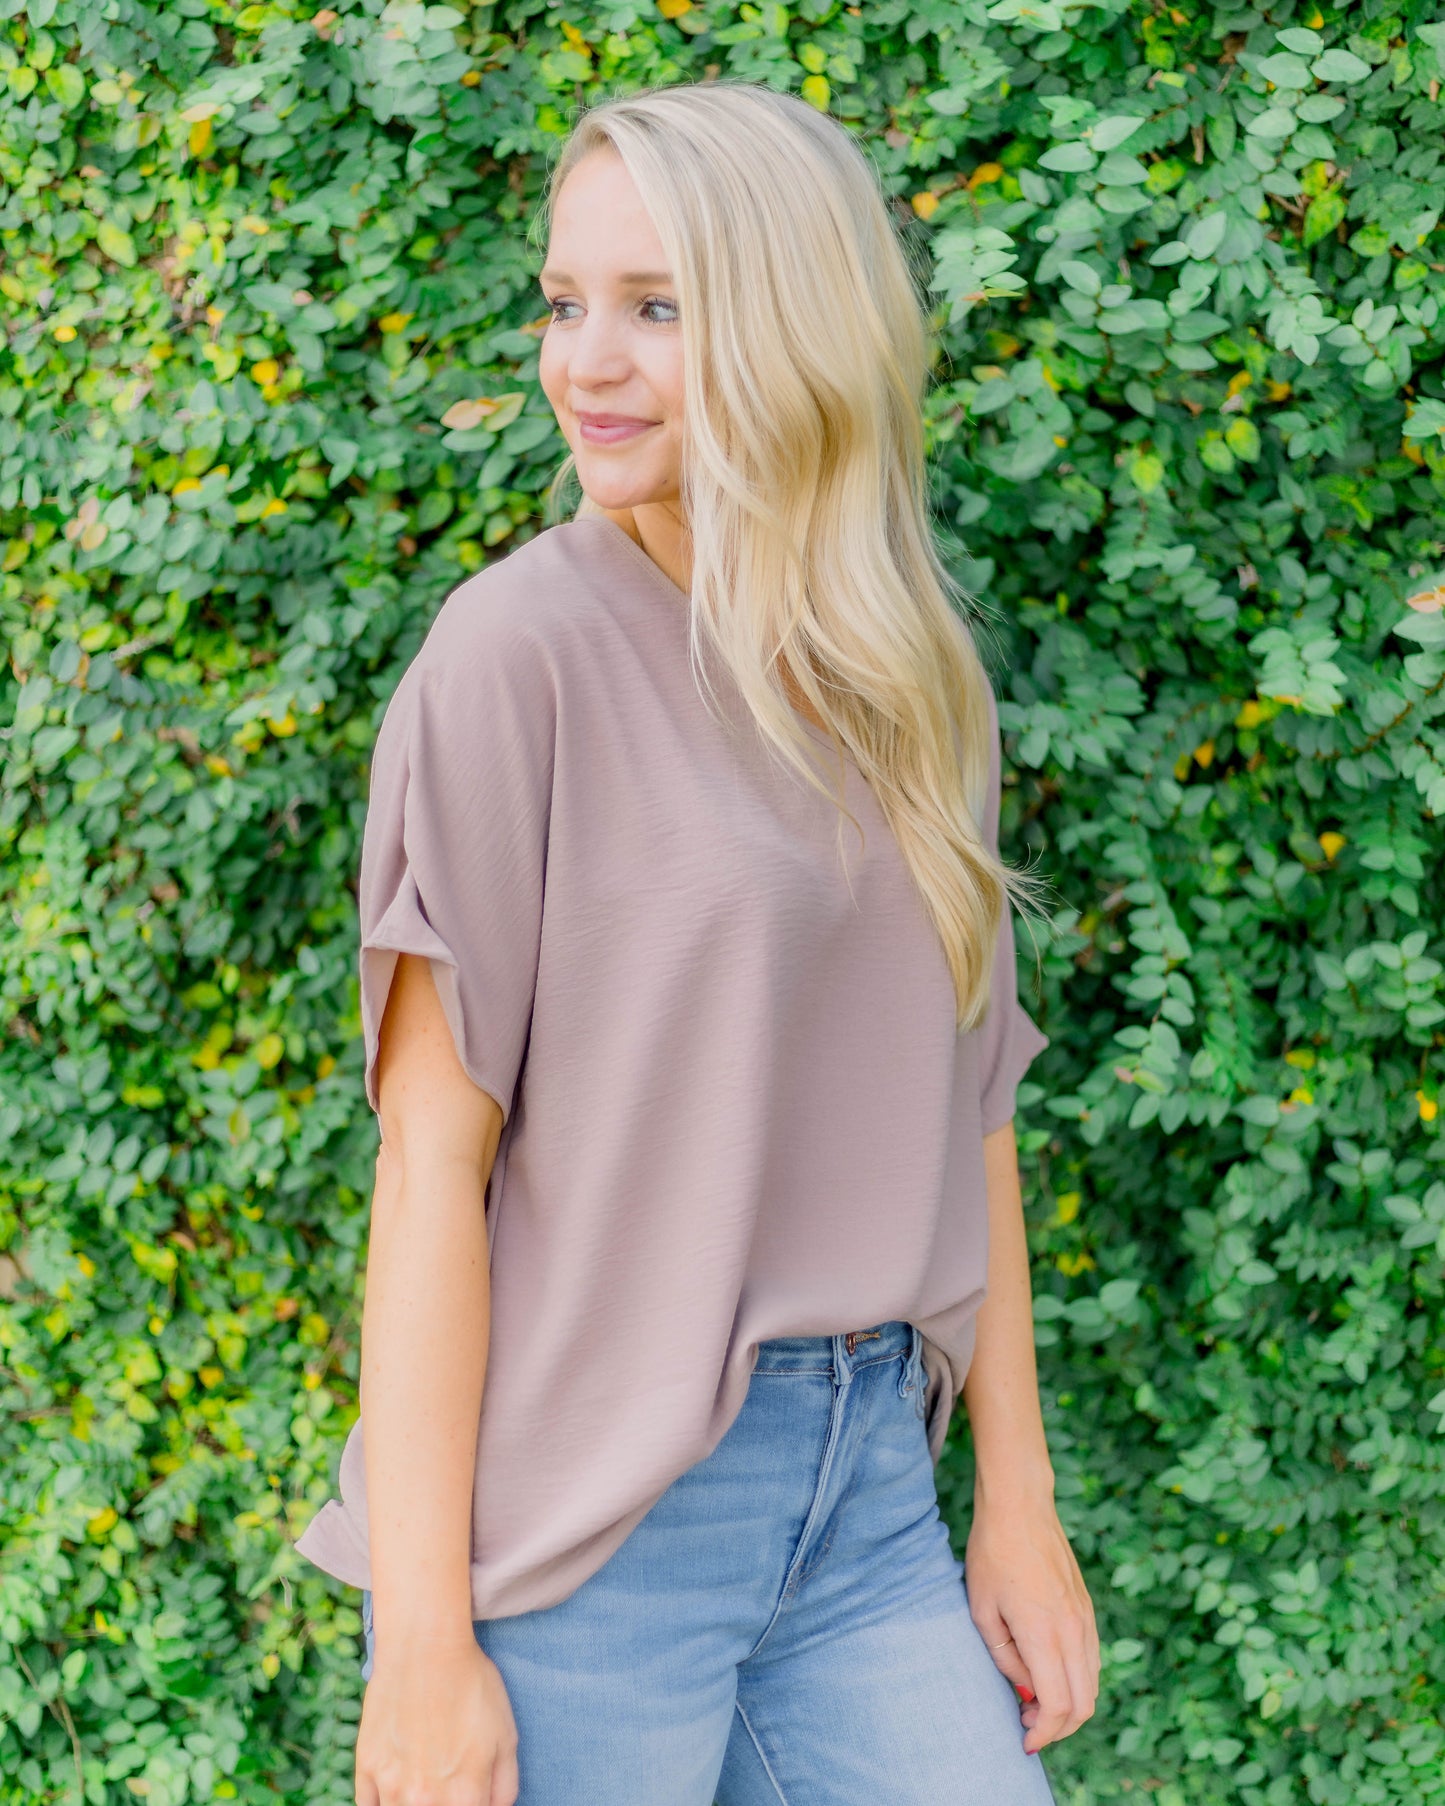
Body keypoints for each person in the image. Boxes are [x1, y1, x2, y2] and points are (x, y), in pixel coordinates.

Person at [295, 78, 1099, 1806]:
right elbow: (431, 1168)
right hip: (596, 1535)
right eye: (563, 303)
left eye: (657, 309)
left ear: (796, 325)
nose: (585, 363)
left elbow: (971, 1117)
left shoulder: (908, 676)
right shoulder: (511, 660)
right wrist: (421, 1642)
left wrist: (1017, 1505)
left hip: (869, 1502)